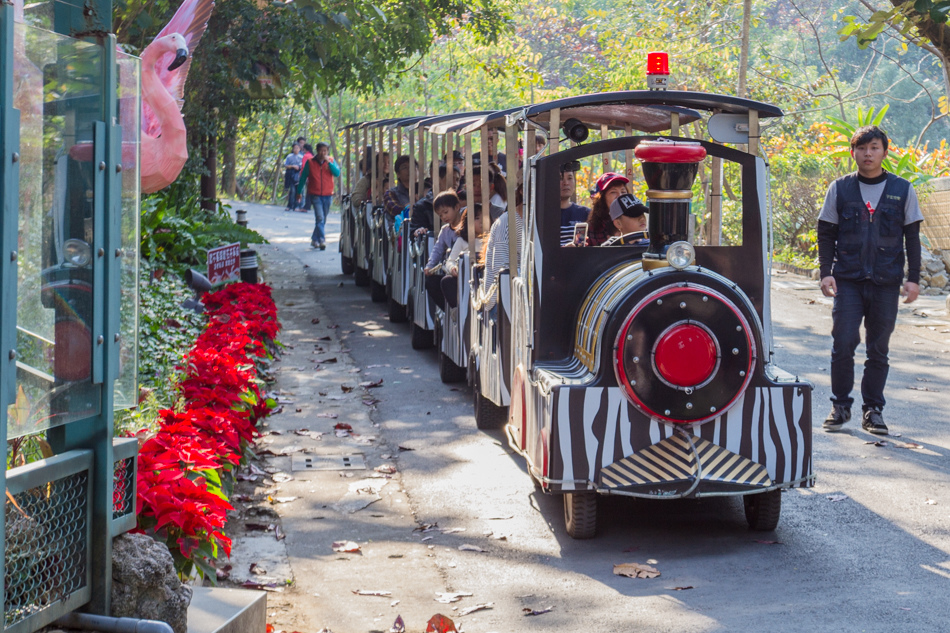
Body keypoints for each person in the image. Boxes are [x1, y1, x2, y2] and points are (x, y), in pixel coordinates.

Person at [817, 125, 923, 436]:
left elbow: (912, 238)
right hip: (848, 280)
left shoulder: (902, 189)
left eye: (874, 148)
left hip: (885, 282)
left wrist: (913, 279)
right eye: (862, 148)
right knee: (844, 341)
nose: (868, 154)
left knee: (879, 348)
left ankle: (873, 410)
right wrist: (826, 272)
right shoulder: (840, 189)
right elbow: (826, 234)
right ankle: (840, 406)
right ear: (853, 153)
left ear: (884, 152)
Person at [478, 185, 524, 313]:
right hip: (501, 300)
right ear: (522, 190)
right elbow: (501, 268)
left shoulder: (540, 220)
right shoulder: (506, 222)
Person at [424, 191, 463, 310]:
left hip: (463, 268)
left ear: (456, 207)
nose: (444, 217)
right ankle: (449, 310)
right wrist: (430, 265)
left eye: (446, 212)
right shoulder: (445, 230)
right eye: (440, 215)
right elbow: (437, 249)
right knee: (432, 283)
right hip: (451, 270)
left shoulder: (466, 226)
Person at [441, 204, 485, 309]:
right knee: (447, 282)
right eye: (477, 218)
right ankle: (458, 309)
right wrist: (453, 268)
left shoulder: (491, 240)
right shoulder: (462, 241)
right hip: (465, 278)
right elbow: (450, 260)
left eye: (485, 217)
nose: (482, 222)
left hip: (484, 278)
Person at [297, 142, 340, 250]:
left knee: (323, 219)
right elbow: (303, 178)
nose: (323, 153)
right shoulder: (310, 162)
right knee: (319, 218)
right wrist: (299, 192)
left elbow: (337, 173)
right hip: (315, 195)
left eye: (325, 151)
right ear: (317, 151)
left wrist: (329, 163)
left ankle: (314, 239)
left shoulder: (330, 160)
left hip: (328, 195)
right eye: (321, 150)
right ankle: (322, 239)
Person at [585, 172, 632, 246]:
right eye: (613, 192)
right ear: (601, 199)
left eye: (623, 192)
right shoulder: (594, 228)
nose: (619, 196)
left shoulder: (635, 218)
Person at [410, 164, 458, 235]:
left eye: (457, 180)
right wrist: (419, 231)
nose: (455, 183)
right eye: (451, 178)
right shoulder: (422, 206)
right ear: (438, 180)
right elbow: (414, 232)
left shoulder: (461, 203)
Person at [559, 166, 590, 246]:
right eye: (560, 178)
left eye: (569, 178)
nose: (566, 183)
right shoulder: (543, 215)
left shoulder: (586, 213)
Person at [282, 143, 303, 212]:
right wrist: (293, 166)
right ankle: (289, 205)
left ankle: (296, 206)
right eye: (294, 148)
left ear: (299, 149)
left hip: (299, 175)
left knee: (298, 191)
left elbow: (303, 166)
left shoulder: (302, 157)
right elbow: (286, 165)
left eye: (297, 148)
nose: (296, 149)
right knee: (292, 191)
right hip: (291, 175)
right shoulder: (289, 156)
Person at [296, 143, 314, 211]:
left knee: (305, 192)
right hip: (312, 175)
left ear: (305, 149)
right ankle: (308, 205)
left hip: (307, 175)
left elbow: (304, 166)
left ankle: (305, 206)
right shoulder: (312, 155)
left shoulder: (306, 156)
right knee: (309, 191)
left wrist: (303, 175)